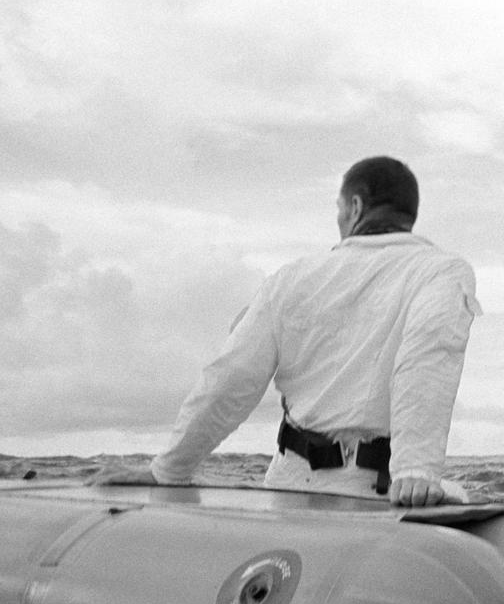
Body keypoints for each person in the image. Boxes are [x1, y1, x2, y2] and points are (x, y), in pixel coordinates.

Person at [94, 156, 480, 507]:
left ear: (355, 206)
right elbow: (427, 363)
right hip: (383, 494)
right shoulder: (442, 271)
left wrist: (170, 469)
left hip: (288, 488)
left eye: (339, 209)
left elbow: (231, 378)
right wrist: (415, 470)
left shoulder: (291, 278)